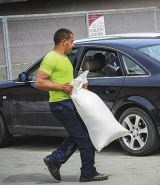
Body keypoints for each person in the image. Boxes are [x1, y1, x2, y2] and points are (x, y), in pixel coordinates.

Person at [35, 28, 108, 182]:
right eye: (72, 41)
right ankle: (86, 173)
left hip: (68, 102)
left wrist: (80, 85)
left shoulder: (64, 58)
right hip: (60, 105)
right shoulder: (51, 58)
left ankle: (56, 160)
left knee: (80, 136)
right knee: (84, 139)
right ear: (63, 41)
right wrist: (61, 87)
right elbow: (39, 82)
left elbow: (66, 83)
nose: (73, 45)